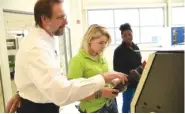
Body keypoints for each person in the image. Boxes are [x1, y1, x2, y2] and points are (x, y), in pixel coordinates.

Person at [7, 0, 127, 113]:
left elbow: (40, 75)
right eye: (60, 17)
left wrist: (24, 92)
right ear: (44, 19)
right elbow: (61, 93)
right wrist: (102, 79)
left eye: (65, 17)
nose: (66, 22)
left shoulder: (46, 40)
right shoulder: (36, 48)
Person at [67, 24, 119, 113]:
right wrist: (102, 93)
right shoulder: (77, 61)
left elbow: (103, 80)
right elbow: (75, 94)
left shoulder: (101, 57)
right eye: (100, 42)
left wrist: (113, 82)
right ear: (90, 40)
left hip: (110, 104)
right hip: (94, 110)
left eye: (105, 43)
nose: (104, 46)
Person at [113, 23, 142, 113]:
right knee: (127, 103)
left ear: (132, 34)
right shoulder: (118, 50)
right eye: (125, 35)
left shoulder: (136, 47)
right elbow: (116, 67)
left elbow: (139, 62)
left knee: (137, 102)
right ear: (122, 37)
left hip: (137, 80)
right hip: (127, 81)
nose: (128, 37)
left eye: (129, 34)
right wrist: (128, 72)